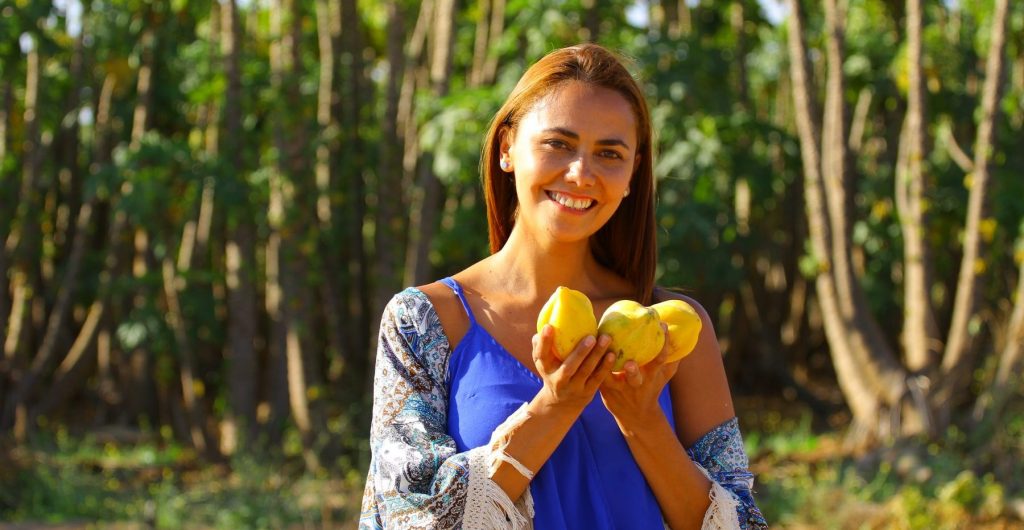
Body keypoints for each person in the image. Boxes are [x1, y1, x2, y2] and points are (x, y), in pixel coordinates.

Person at [360, 43, 767, 529]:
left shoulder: (676, 331)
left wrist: (642, 420)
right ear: (507, 148)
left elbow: (742, 522)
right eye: (558, 143)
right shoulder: (423, 320)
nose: (581, 173)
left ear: (633, 172)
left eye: (609, 153)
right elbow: (407, 517)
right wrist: (556, 405)